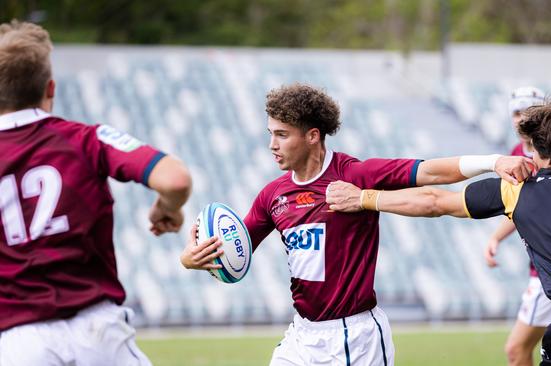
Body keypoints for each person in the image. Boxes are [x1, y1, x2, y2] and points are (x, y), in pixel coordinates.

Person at [180, 83, 532, 365]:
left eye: (282, 135)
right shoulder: (272, 195)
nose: (271, 145)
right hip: (302, 336)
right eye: (271, 133)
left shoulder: (354, 174)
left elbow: (428, 170)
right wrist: (191, 258)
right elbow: (235, 249)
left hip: (354, 338)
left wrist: (492, 161)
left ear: (313, 135)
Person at [326, 98, 551, 365]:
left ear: (547, 155)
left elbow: (435, 201)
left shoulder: (521, 189)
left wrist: (364, 198)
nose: (528, 157)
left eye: (532, 150)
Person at [0, 20, 192, 365]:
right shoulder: (86, 138)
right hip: (98, 334)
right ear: (51, 88)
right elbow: (175, 179)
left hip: (19, 341)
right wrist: (168, 208)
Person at [484, 86, 551, 366]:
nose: (521, 118)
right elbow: (518, 207)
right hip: (546, 264)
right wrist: (496, 238)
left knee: (517, 350)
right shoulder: (516, 152)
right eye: (516, 112)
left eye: (529, 111)